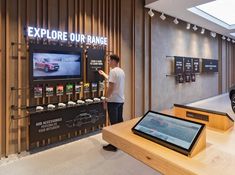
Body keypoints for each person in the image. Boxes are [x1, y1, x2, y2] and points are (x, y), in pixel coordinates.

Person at [98, 54, 125, 152]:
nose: (108, 62)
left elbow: (111, 87)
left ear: (113, 61)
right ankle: (120, 142)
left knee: (114, 124)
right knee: (119, 122)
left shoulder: (113, 71)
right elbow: (111, 79)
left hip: (113, 101)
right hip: (120, 100)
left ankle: (113, 145)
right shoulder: (121, 71)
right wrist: (104, 74)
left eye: (109, 60)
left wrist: (106, 98)